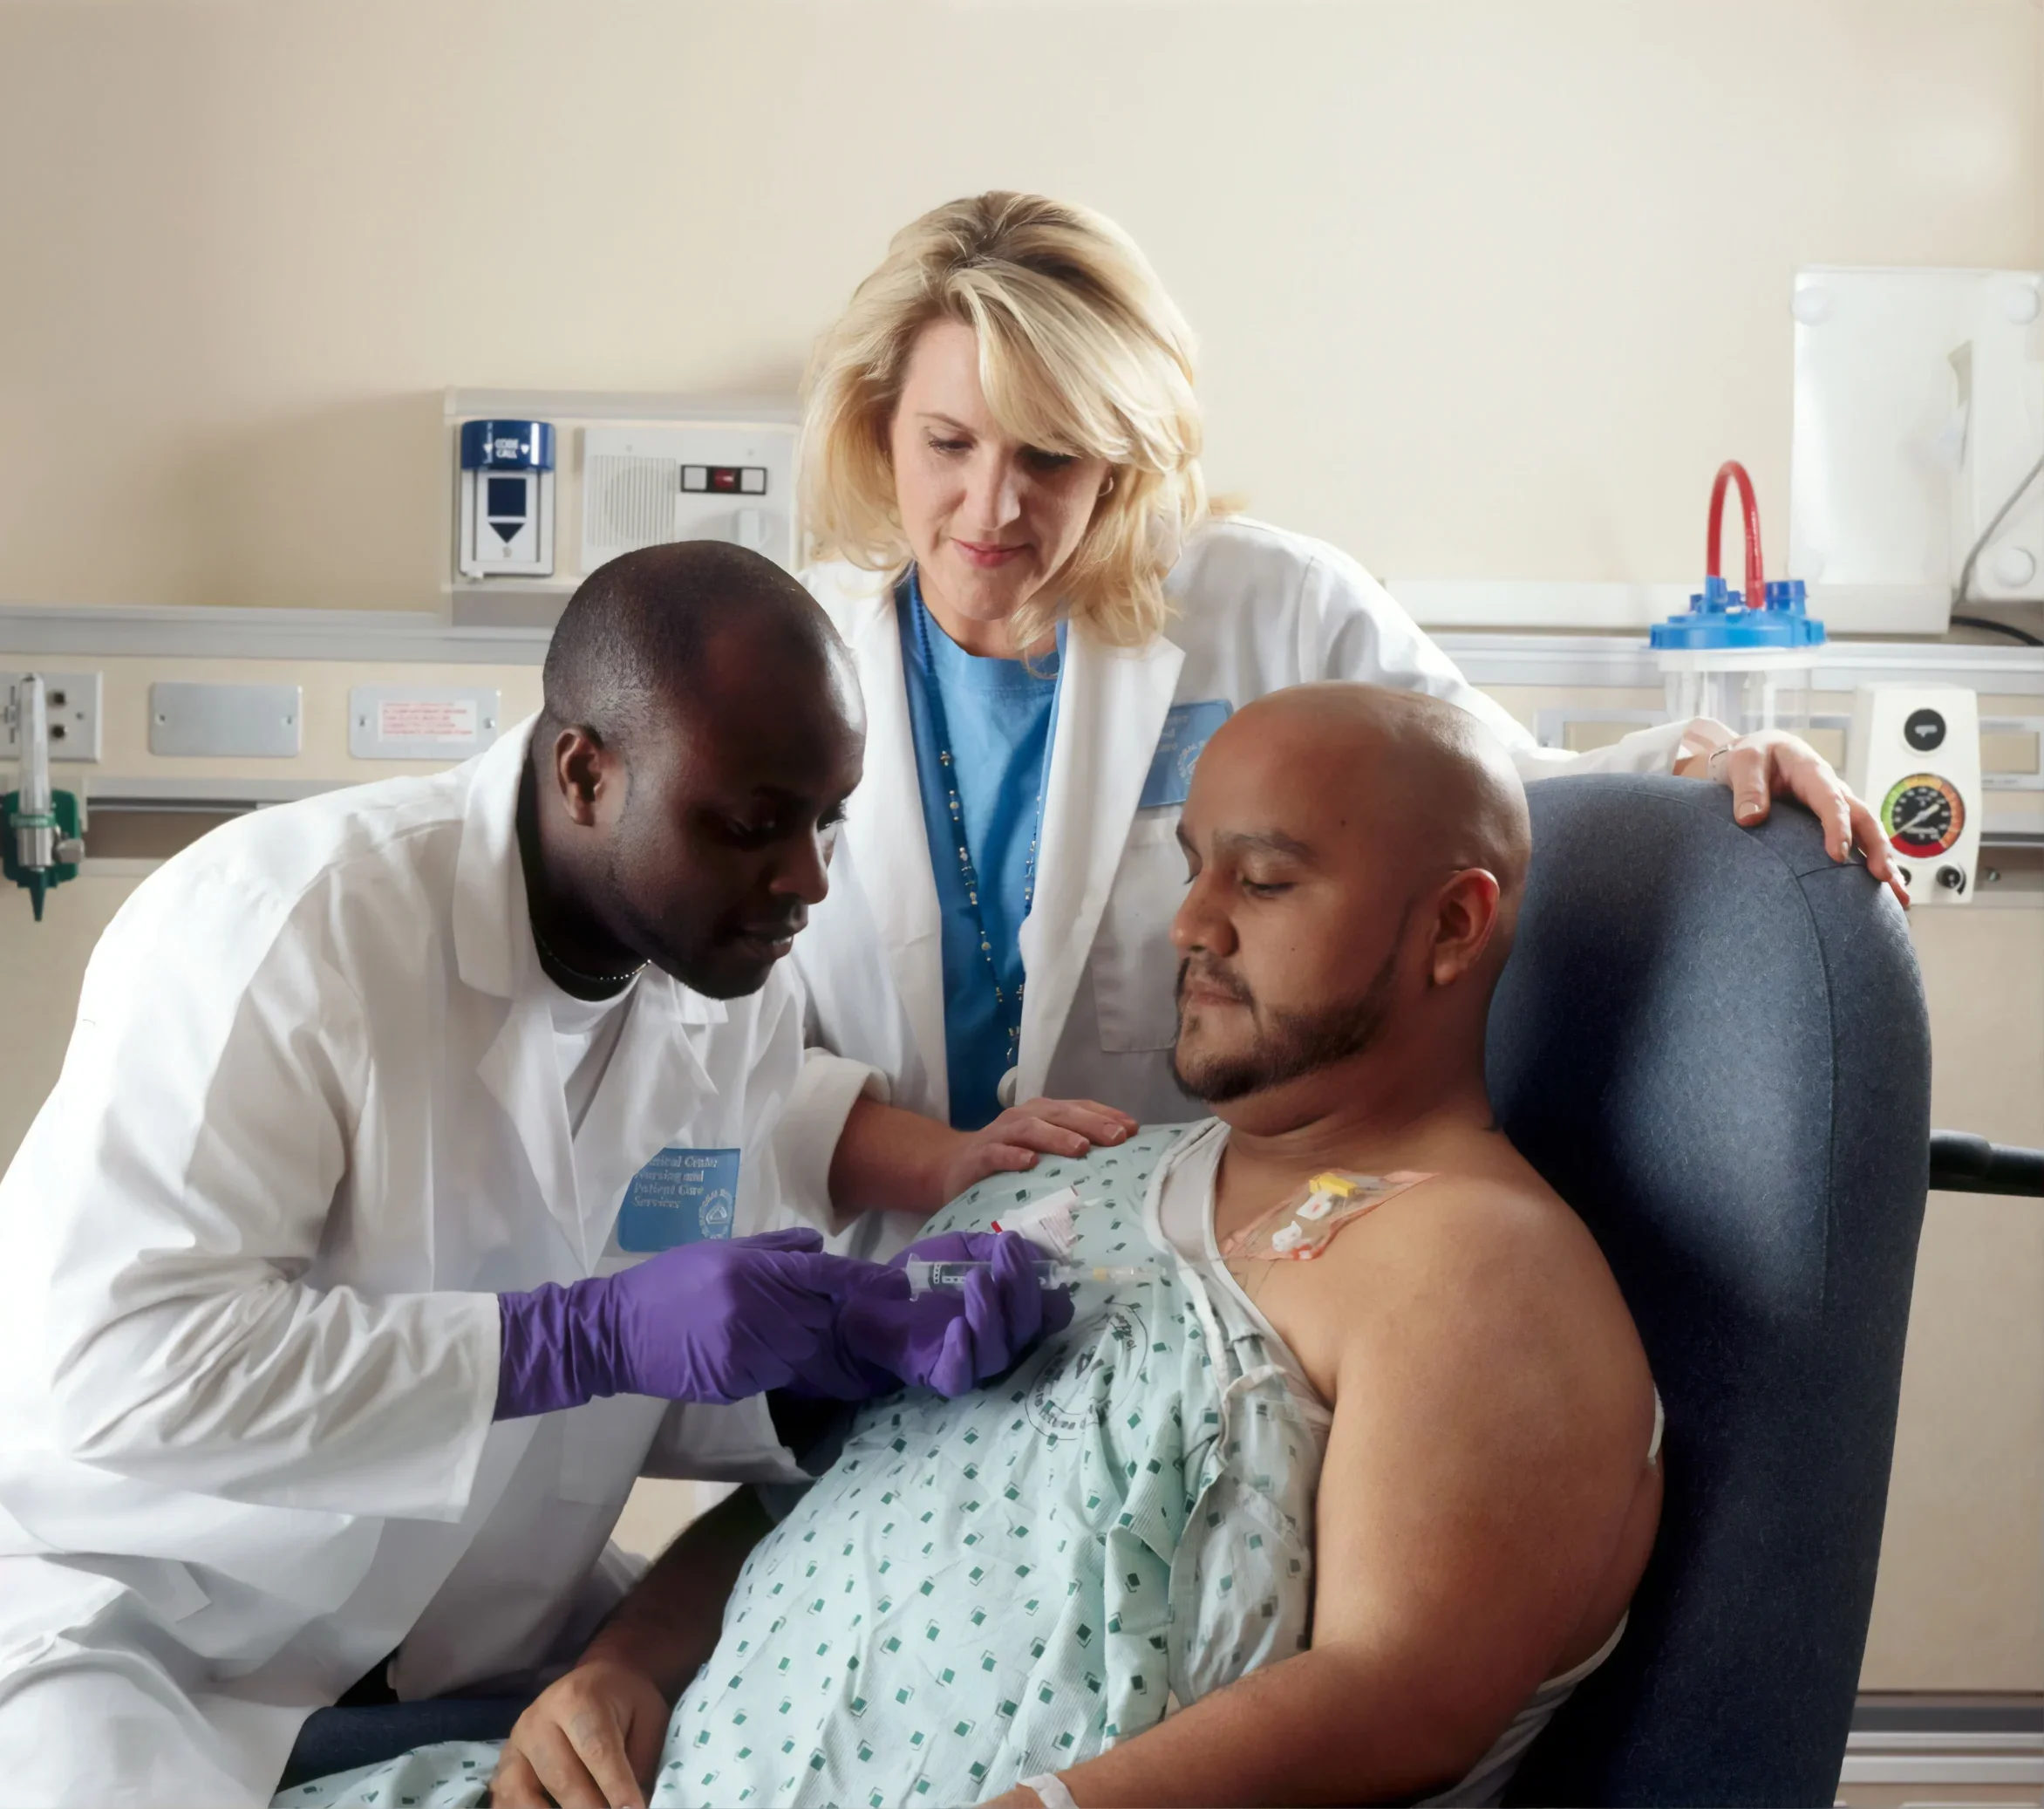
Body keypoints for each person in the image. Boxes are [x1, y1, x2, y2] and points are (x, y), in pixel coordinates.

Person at [0, 543, 1070, 1809]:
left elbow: (642, 1380)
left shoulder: (728, 999)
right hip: (92, 1593)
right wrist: (578, 1336)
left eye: (826, 817)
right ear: (585, 770)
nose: (808, 878)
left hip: (450, 1629)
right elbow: (129, 1368)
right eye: (753, 824)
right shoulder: (289, 926)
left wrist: (833, 1351)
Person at [275, 681, 1662, 1809]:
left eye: (1269, 880)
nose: (1191, 923)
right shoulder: (1069, 1181)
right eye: (1194, 867)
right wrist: (623, 1667)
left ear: (1455, 925)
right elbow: (804, 1491)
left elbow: (1402, 1693)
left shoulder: (1473, 1262)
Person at [793, 191, 1904, 1217]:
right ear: (879, 424)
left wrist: (1707, 764)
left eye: (1050, 457)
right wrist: (942, 1167)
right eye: (949, 444)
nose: (993, 504)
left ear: (1123, 461)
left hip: (1184, 1261)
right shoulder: (795, 656)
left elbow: (1499, 801)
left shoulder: (1272, 605)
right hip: (882, 1273)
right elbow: (720, 1051)